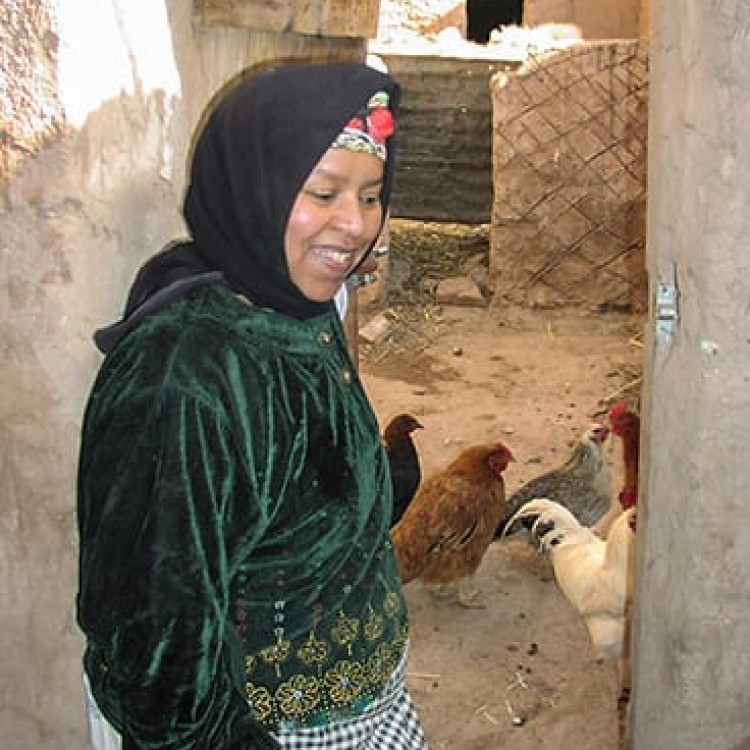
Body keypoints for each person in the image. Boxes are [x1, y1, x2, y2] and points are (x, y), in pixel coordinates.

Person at [75, 61, 429, 750]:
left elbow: (289, 507)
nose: (355, 225)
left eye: (371, 195)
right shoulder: (183, 383)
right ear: (251, 190)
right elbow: (159, 675)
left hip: (369, 706)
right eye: (323, 192)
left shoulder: (297, 307)